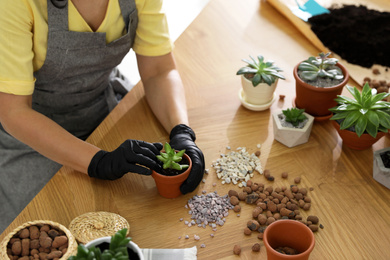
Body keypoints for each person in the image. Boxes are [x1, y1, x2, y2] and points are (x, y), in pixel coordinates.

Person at [0, 0, 205, 233]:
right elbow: (14, 112)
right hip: (29, 139)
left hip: (103, 107)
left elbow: (159, 69)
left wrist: (181, 131)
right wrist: (98, 162)